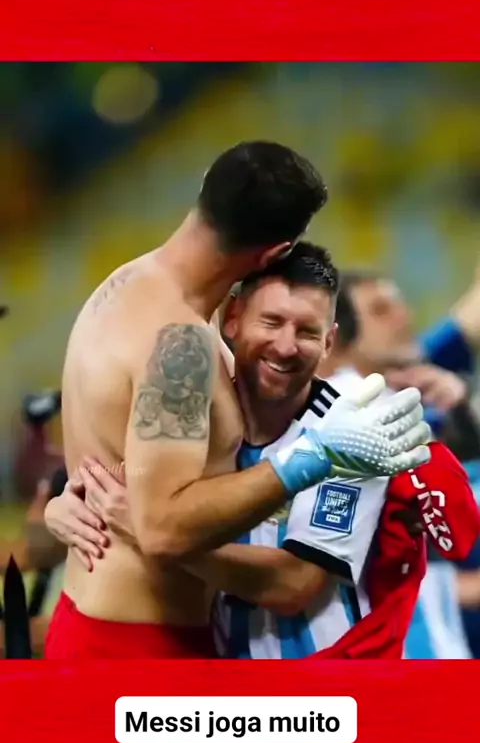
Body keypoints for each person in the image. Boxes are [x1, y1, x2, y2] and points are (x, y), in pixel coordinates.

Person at [45, 243, 450, 659]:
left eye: (307, 331)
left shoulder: (351, 435)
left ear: (329, 342)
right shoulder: (200, 421)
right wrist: (65, 507)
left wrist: (149, 534)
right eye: (271, 322)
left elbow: (292, 584)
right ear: (233, 318)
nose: (286, 346)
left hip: (327, 682)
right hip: (221, 677)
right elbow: (106, 489)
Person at [323, 272, 479, 658]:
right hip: (410, 659)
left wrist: (461, 410)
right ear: (336, 334)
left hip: (443, 650)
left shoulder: (414, 401)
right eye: (380, 310)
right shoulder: (347, 421)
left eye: (398, 304)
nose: (403, 317)